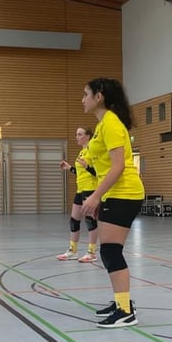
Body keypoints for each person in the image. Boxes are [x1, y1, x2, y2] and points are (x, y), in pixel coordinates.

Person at [81, 78, 145, 328]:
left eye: (86, 94)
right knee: (109, 250)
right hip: (115, 194)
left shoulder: (110, 123)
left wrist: (96, 195)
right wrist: (101, 195)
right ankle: (121, 302)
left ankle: (125, 311)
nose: (82, 99)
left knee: (110, 251)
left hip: (124, 193)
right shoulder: (103, 124)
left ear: (99, 96)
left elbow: (118, 167)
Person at [57, 127, 99, 263]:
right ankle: (73, 250)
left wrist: (88, 167)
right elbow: (81, 172)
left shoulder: (92, 151)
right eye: (76, 134)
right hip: (80, 189)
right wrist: (69, 168)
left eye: (80, 134)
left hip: (90, 189)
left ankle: (91, 252)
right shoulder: (81, 152)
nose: (77, 137)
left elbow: (98, 173)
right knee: (74, 220)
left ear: (88, 136)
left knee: (90, 220)